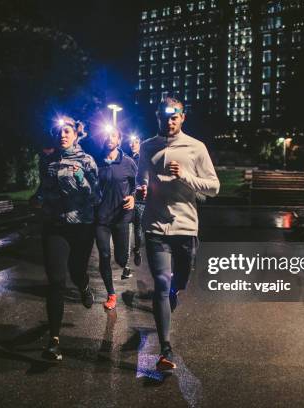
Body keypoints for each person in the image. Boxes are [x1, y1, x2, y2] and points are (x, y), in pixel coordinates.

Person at [136, 97, 220, 371]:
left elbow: (213, 187)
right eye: (164, 117)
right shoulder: (148, 147)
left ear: (183, 118)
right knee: (161, 284)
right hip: (156, 226)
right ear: (157, 117)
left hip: (186, 227)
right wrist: (141, 190)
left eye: (175, 117)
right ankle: (165, 349)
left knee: (178, 282)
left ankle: (174, 294)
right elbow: (141, 179)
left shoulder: (196, 147)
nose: (169, 122)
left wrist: (185, 176)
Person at [30, 116, 99, 361]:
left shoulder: (87, 160)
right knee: (56, 281)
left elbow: (96, 196)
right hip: (54, 226)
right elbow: (43, 189)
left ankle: (83, 285)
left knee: (76, 270)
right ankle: (54, 340)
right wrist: (36, 199)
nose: (62, 135)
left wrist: (81, 180)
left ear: (76, 134)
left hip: (80, 226)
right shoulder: (48, 161)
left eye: (67, 131)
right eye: (59, 132)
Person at [95, 127, 138, 310]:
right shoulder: (96, 162)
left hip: (121, 217)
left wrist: (134, 197)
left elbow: (138, 185)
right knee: (104, 255)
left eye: (113, 135)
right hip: (101, 218)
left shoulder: (128, 163)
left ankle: (125, 263)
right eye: (106, 135)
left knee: (120, 259)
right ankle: (111, 294)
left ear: (119, 140)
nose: (108, 138)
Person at [129, 135, 145, 266]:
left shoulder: (144, 159)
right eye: (131, 142)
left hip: (140, 200)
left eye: (136, 142)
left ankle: (137, 249)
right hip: (129, 197)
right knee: (124, 226)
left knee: (138, 229)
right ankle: (124, 255)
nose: (133, 144)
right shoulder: (128, 159)